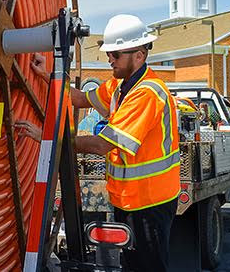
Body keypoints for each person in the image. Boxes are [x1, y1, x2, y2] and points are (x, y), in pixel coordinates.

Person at [15, 14, 180, 272]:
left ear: (139, 55)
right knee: (131, 265)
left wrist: (47, 137)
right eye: (109, 53)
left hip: (150, 203)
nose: (109, 59)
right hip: (129, 200)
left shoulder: (147, 93)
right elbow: (80, 98)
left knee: (148, 267)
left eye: (115, 54)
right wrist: (47, 74)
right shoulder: (120, 86)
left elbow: (103, 145)